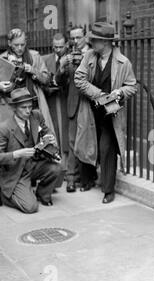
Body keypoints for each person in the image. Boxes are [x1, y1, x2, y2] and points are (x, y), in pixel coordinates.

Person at [74, 22, 137, 204]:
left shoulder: (123, 62)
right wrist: (99, 94)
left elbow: (132, 86)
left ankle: (108, 190)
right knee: (87, 142)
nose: (91, 42)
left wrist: (120, 92)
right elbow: (79, 79)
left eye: (94, 40)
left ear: (105, 42)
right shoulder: (89, 56)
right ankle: (87, 180)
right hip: (91, 109)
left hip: (111, 113)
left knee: (107, 148)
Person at [0, 87, 62, 214]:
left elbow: (47, 131)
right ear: (14, 108)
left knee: (56, 168)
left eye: (30, 106)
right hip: (16, 171)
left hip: (34, 164)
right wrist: (16, 154)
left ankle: (42, 194)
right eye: (23, 108)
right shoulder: (4, 128)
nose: (28, 111)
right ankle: (5, 195)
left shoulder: (36, 115)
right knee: (30, 208)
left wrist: (50, 139)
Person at [56, 26, 91, 193]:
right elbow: (60, 83)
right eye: (73, 38)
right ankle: (71, 178)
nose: (75, 41)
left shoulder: (92, 54)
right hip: (72, 104)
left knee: (87, 142)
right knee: (72, 142)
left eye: (78, 37)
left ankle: (86, 178)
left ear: (85, 36)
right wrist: (62, 68)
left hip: (89, 104)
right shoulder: (67, 56)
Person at [0, 28, 55, 135]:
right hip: (10, 105)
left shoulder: (34, 56)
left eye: (22, 44)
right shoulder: (2, 59)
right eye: (16, 45)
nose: (20, 48)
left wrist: (33, 70)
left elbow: (47, 80)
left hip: (33, 104)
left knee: (38, 135)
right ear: (9, 43)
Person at [42, 33, 69, 166]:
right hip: (51, 100)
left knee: (66, 133)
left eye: (61, 47)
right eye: (55, 47)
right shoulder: (45, 60)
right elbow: (42, 80)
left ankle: (67, 166)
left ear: (66, 45)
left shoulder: (70, 59)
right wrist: (48, 88)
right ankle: (56, 162)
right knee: (53, 130)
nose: (58, 49)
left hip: (66, 100)